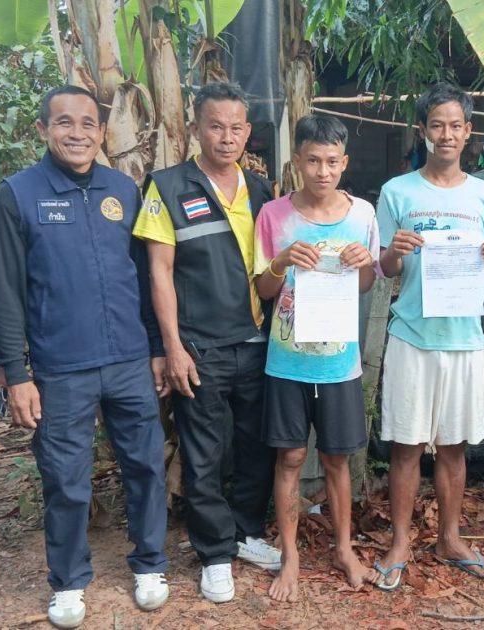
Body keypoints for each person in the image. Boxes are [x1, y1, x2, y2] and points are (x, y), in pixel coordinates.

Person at [0, 85, 169, 628]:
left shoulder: (123, 189)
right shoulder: (17, 195)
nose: (77, 133)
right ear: (43, 130)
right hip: (60, 365)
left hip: (129, 358)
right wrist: (16, 372)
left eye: (88, 123)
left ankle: (151, 564)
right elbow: (5, 291)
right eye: (64, 123)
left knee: (145, 465)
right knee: (65, 478)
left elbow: (144, 276)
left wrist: (156, 348)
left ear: (102, 132)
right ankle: (68, 581)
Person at [132, 81, 279, 604]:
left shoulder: (260, 191)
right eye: (215, 126)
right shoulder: (168, 187)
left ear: (248, 132)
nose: (226, 137)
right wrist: (170, 347)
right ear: (195, 128)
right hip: (200, 349)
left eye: (236, 128)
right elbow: (159, 273)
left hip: (257, 342)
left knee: (257, 445)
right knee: (204, 454)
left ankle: (244, 533)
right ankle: (215, 554)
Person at [372, 82, 484, 590]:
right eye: (437, 125)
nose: (446, 134)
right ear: (423, 131)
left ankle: (450, 539)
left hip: (464, 339)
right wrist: (394, 251)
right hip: (412, 335)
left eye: (456, 125)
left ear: (468, 131)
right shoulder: (397, 191)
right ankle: (400, 543)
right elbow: (383, 268)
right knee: (406, 446)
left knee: (454, 448)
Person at [254, 114, 381, 601]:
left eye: (331, 161)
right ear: (297, 162)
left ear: (344, 162)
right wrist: (282, 260)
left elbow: (365, 284)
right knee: (289, 456)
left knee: (336, 458)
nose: (322, 171)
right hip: (287, 359)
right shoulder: (274, 215)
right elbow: (264, 290)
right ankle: (290, 555)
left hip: (338, 362)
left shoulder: (362, 215)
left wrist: (364, 263)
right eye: (312, 161)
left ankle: (344, 549)